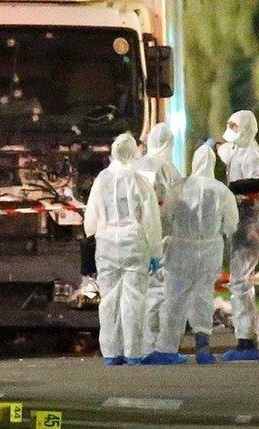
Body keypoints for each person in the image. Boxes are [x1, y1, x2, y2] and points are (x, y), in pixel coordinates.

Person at [145, 143, 238, 365]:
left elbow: (166, 219)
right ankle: (203, 346)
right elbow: (231, 225)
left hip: (181, 249)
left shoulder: (179, 187)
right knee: (203, 297)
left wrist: (160, 244)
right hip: (210, 250)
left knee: (174, 299)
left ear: (194, 162)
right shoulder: (221, 191)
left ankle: (167, 349)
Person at [84, 133, 163, 366]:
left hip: (107, 242)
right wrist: (155, 251)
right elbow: (150, 219)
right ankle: (133, 352)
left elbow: (91, 214)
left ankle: (110, 352)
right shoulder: (139, 180)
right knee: (133, 299)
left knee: (109, 299)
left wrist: (93, 231)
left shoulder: (102, 179)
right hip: (133, 243)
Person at [216, 110, 259, 361]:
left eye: (234, 125)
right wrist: (212, 146)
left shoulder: (254, 154)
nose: (230, 129)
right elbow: (224, 151)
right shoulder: (237, 150)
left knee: (240, 280)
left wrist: (231, 189)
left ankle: (246, 341)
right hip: (241, 223)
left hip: (252, 224)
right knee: (241, 279)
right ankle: (249, 338)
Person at [134, 123, 183, 359]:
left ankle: (141, 344)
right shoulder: (169, 169)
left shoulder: (140, 165)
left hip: (139, 236)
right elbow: (177, 205)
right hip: (162, 236)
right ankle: (155, 346)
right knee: (159, 291)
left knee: (142, 290)